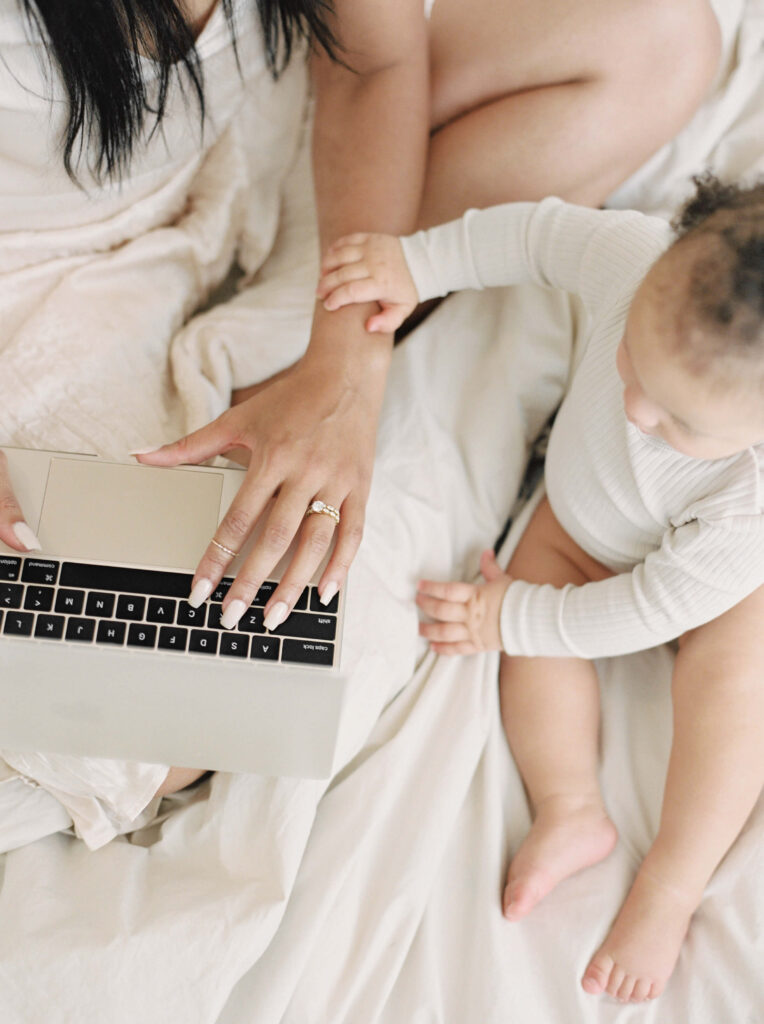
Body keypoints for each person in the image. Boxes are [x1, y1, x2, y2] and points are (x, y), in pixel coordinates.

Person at [0, 0, 724, 829]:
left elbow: (375, 61)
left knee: (663, 42)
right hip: (31, 277)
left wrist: (347, 367)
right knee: (161, 727)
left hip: (247, 135)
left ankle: (271, 389)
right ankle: (242, 396)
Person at [314, 174, 764, 1001]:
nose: (635, 412)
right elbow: (529, 236)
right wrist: (418, 264)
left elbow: (647, 610)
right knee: (530, 633)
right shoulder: (632, 257)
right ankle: (571, 808)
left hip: (719, 592)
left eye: (681, 423)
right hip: (584, 527)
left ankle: (669, 888)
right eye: (632, 359)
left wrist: (515, 617)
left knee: (736, 692)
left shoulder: (749, 504)